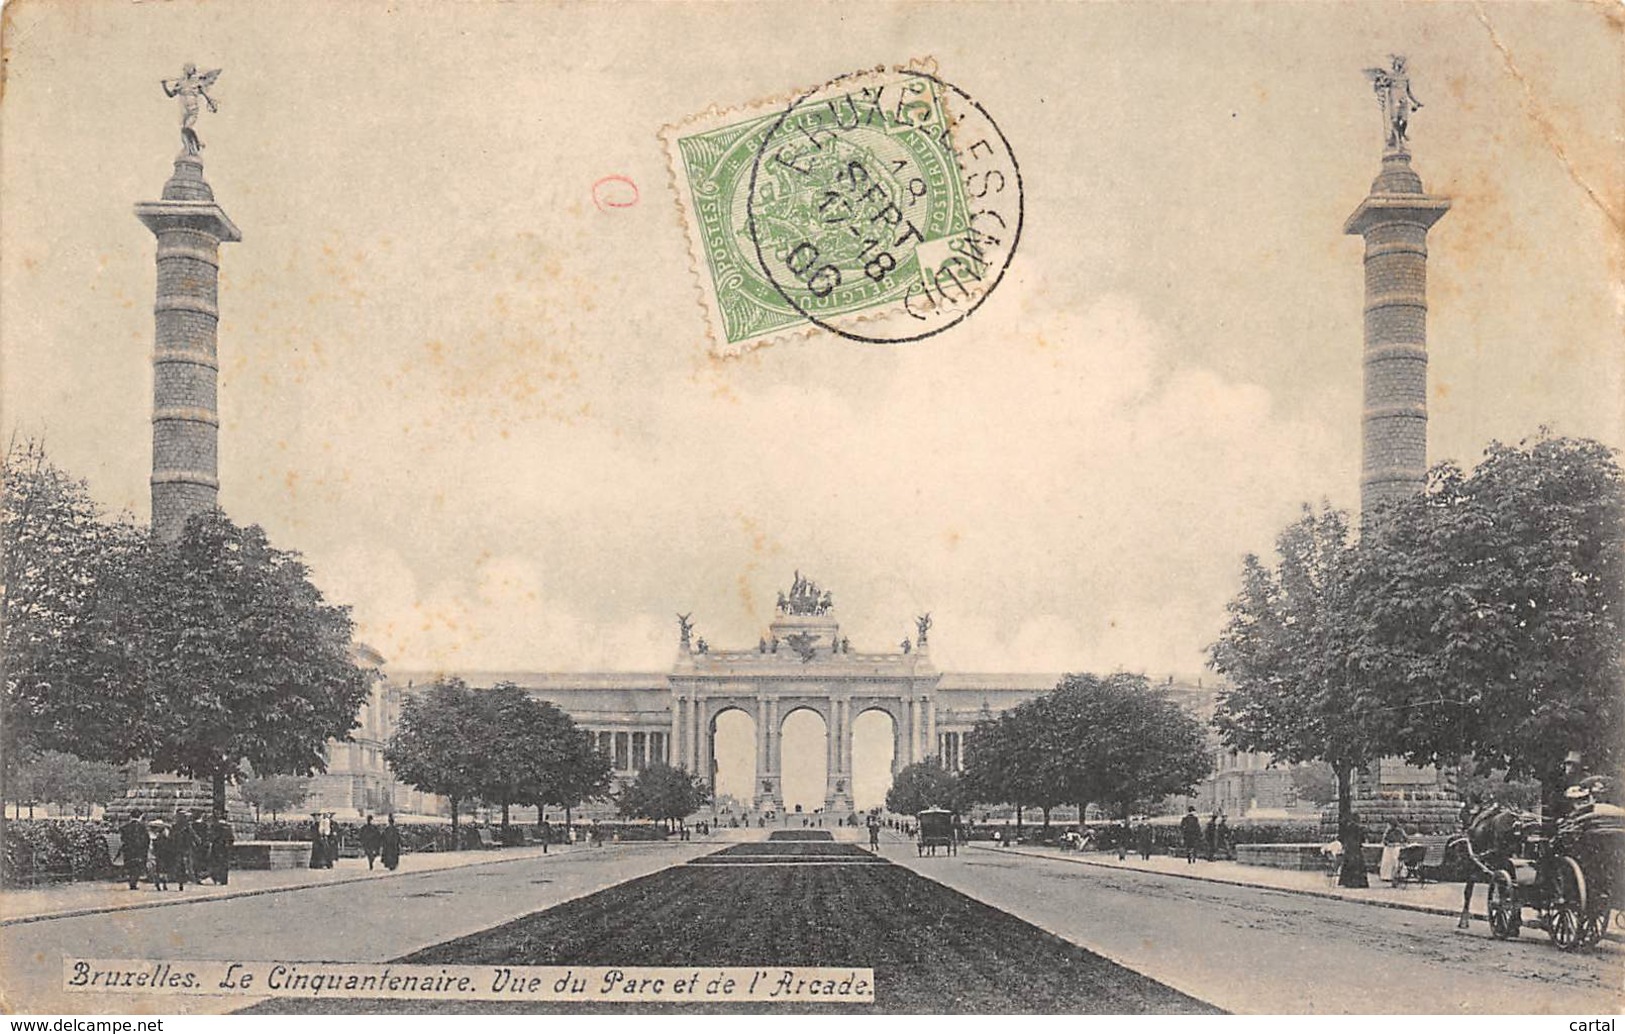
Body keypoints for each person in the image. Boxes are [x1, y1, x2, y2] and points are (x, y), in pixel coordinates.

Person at [116, 811, 150, 890]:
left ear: (131, 817)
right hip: (139, 852)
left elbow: (122, 839)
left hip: (128, 852)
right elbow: (146, 840)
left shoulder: (125, 827)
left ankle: (132, 881)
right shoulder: (142, 827)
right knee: (137, 867)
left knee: (132, 867)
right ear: (140, 817)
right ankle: (133, 883)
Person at [170, 811, 198, 890]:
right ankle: (185, 879)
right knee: (186, 864)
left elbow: (170, 837)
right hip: (185, 849)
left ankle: (181, 880)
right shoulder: (187, 827)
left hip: (178, 849)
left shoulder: (175, 827)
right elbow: (195, 837)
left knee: (180, 865)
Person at [1379, 819, 1409, 885]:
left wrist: (1400, 843)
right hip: (1389, 848)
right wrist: (1388, 843)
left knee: (1396, 860)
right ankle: (1387, 876)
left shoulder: (1400, 831)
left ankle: (1398, 875)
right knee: (1387, 861)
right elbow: (1384, 840)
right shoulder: (1387, 832)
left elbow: (1405, 839)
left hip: (1396, 847)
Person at [208, 815, 234, 886]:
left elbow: (212, 836)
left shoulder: (215, 826)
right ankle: (224, 880)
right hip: (225, 847)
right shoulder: (228, 826)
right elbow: (231, 838)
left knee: (215, 862)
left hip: (217, 846)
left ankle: (216, 878)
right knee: (224, 863)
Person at [148, 821, 172, 891]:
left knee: (158, 870)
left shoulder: (156, 837)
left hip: (158, 855)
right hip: (161, 855)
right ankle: (162, 884)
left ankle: (159, 884)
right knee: (162, 870)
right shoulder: (164, 837)